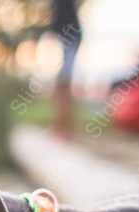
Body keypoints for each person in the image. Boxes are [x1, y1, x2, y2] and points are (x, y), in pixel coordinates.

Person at [50, 0, 82, 138]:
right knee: (62, 84)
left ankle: (65, 128)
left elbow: (59, 20)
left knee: (63, 84)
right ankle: (61, 126)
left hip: (70, 39)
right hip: (67, 39)